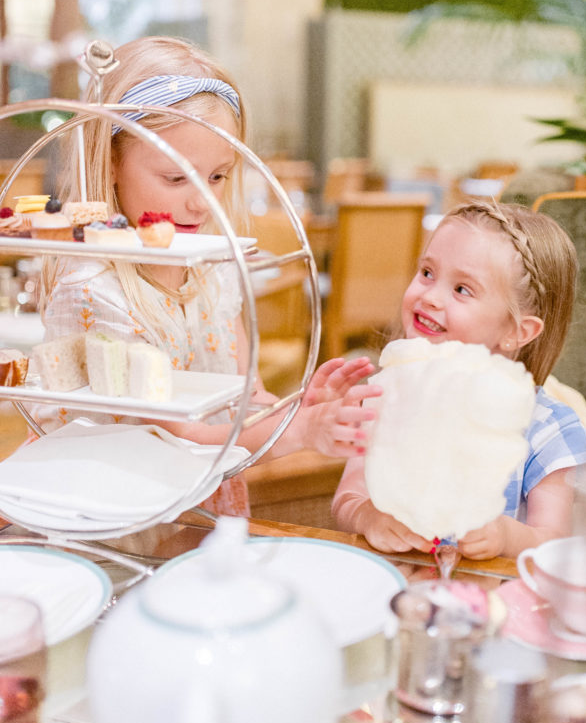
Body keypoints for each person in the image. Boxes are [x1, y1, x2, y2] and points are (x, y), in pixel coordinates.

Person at [37, 35, 374, 515]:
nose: (202, 201)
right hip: (119, 513)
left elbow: (245, 397)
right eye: (177, 178)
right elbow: (180, 442)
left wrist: (293, 410)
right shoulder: (94, 291)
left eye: (218, 177)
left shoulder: (214, 274)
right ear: (110, 162)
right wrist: (294, 434)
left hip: (202, 506)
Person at [332, 200, 586, 559]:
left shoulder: (547, 430)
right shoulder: (387, 397)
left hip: (496, 605)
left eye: (462, 290)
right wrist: (367, 516)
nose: (430, 296)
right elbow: (348, 498)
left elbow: (556, 543)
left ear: (517, 331)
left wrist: (505, 536)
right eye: (427, 272)